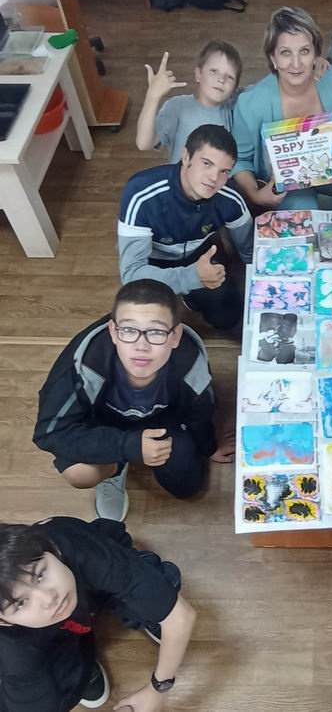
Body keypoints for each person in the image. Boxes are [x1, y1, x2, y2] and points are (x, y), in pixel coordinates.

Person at [33, 280, 233, 524]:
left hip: (162, 423)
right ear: (113, 332)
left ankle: (132, 453)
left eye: (156, 332)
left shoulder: (190, 360)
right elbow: (49, 433)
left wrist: (209, 446)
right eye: (128, 330)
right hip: (101, 424)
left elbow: (199, 411)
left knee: (186, 487)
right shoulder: (84, 365)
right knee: (80, 474)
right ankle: (113, 470)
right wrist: (127, 446)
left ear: (175, 336)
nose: (141, 346)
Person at [0, 516, 195, 711]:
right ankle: (79, 669)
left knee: (161, 586)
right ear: (3, 622)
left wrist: (157, 690)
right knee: (47, 690)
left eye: (41, 574)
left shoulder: (80, 548)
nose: (49, 598)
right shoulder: (11, 648)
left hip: (94, 580)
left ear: (52, 550)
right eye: (20, 603)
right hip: (51, 635)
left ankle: (146, 609)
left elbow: (180, 616)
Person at [231, 6, 332, 215]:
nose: (296, 64)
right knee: (302, 208)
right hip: (284, 181)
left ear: (316, 54)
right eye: (285, 53)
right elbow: (240, 160)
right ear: (273, 58)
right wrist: (255, 194)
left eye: (304, 51)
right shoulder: (250, 104)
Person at [119, 124, 252, 331]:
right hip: (154, 263)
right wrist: (191, 277)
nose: (214, 178)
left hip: (203, 256)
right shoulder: (141, 193)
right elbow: (131, 273)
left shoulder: (230, 197)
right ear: (186, 156)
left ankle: (194, 299)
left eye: (224, 171)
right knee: (145, 320)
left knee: (227, 317)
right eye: (206, 164)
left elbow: (249, 249)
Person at [135, 39, 242, 164]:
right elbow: (143, 143)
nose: (221, 79)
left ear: (234, 88)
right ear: (198, 74)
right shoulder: (177, 106)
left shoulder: (236, 105)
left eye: (230, 77)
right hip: (181, 177)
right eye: (213, 71)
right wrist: (152, 96)